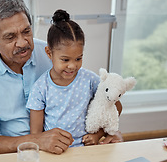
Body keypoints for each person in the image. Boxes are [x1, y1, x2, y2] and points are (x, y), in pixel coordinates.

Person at [0, 0, 123, 156]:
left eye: (26, 31)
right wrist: (36, 141)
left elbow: (98, 99)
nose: (23, 42)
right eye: (10, 37)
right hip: (12, 156)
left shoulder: (56, 54)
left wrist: (107, 132)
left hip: (71, 150)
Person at [26, 9, 122, 147]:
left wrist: (98, 135)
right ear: (49, 53)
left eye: (78, 58)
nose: (72, 66)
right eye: (65, 60)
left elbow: (116, 106)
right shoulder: (40, 88)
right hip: (55, 152)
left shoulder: (90, 80)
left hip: (86, 149)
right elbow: (35, 135)